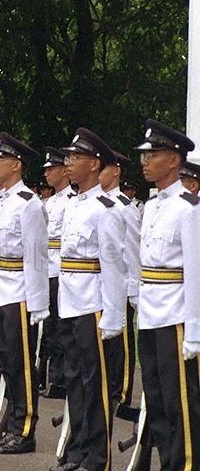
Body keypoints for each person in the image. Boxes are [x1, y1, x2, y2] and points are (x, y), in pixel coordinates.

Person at [130, 119, 200, 471]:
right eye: (144, 155)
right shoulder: (154, 206)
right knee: (156, 401)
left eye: (152, 155)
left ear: (174, 160)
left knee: (180, 404)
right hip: (151, 316)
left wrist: (194, 332)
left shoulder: (188, 209)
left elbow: (195, 272)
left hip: (174, 317)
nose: (145, 161)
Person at [51, 128, 126, 471]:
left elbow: (113, 265)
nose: (68, 163)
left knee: (94, 382)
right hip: (70, 301)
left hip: (92, 304)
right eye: (67, 157)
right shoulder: (73, 205)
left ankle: (97, 457)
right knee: (74, 379)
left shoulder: (106, 209)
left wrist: (112, 315)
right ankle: (77, 448)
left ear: (94, 164)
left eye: (74, 158)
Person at [0, 132, 48, 453]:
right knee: (8, 361)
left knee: (23, 363)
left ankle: (25, 429)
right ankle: (11, 424)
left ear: (16, 165)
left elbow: (37, 257)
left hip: (22, 290)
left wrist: (37, 302)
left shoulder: (29, 205)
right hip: (2, 287)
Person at [99, 150, 141, 409]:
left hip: (121, 283)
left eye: (103, 169)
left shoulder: (125, 207)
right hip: (100, 283)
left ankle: (121, 393)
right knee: (105, 342)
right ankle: (107, 388)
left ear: (115, 171)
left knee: (121, 344)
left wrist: (133, 289)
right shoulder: (95, 202)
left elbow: (133, 251)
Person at [39, 147, 76, 397]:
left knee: (62, 328)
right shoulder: (48, 202)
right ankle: (50, 377)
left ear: (64, 170)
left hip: (61, 269)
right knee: (49, 328)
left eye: (51, 168)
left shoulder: (71, 200)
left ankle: (60, 379)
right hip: (47, 268)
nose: (47, 173)